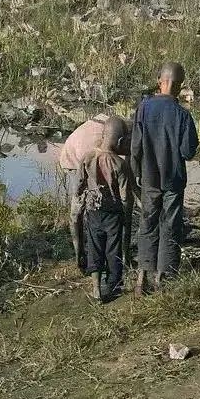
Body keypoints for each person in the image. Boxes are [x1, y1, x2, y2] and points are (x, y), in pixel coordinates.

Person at [130, 61, 199, 296]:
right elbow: (188, 151)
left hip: (148, 177)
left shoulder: (144, 108)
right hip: (173, 179)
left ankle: (141, 278)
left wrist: (136, 171)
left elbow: (135, 145)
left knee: (147, 223)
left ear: (160, 81)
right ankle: (162, 277)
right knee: (170, 224)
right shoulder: (182, 115)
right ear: (179, 86)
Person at [75, 116, 136, 301]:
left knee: (94, 247)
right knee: (112, 250)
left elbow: (79, 186)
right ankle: (113, 285)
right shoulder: (119, 163)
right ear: (119, 141)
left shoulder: (88, 157)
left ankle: (96, 288)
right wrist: (126, 217)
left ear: (103, 135)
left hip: (93, 210)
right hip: (113, 214)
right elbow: (125, 197)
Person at [60, 112, 116, 269]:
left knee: (89, 208)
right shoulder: (96, 142)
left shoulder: (109, 130)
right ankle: (81, 254)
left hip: (82, 153)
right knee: (82, 209)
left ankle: (90, 255)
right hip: (73, 161)